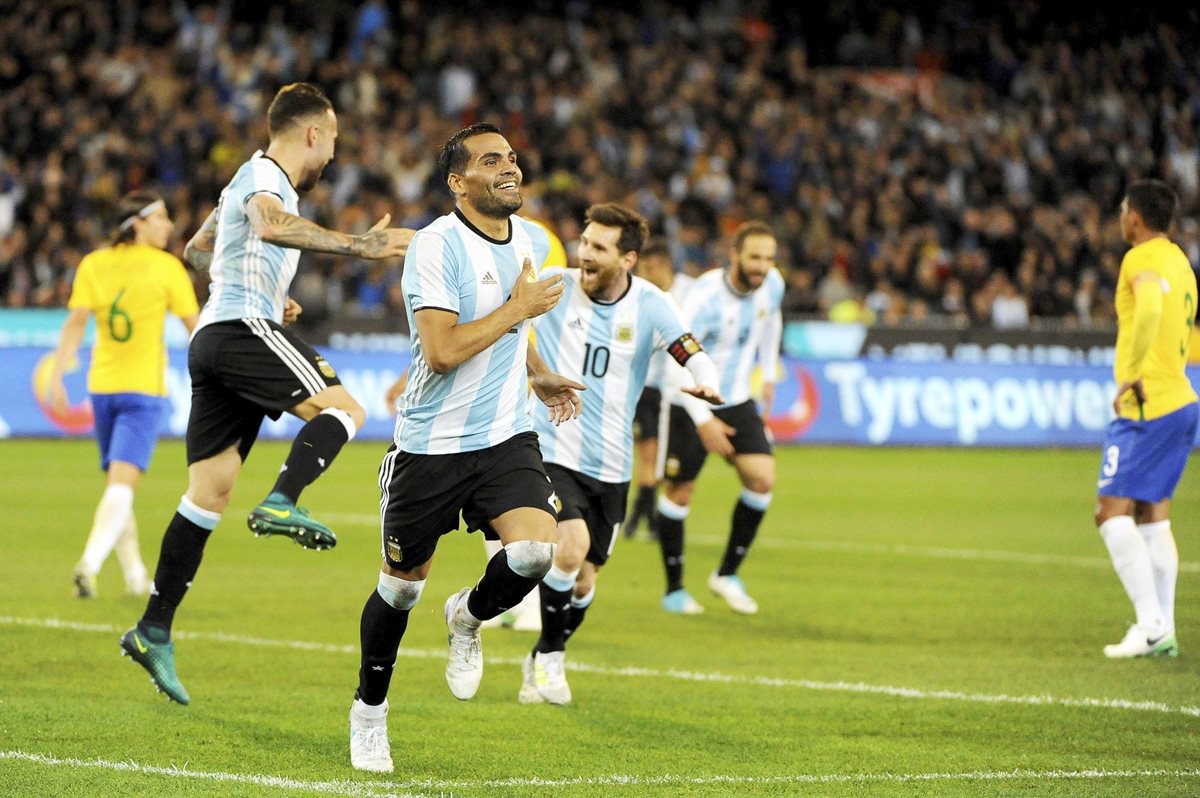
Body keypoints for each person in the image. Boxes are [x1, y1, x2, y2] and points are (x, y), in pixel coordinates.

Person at [118, 83, 411, 705]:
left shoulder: (240, 181)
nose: (333, 152)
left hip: (216, 334)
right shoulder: (266, 175)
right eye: (332, 138)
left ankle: (153, 628)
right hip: (239, 327)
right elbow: (270, 224)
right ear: (312, 133)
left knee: (208, 493)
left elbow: (199, 249)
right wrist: (354, 245)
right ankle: (283, 498)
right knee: (345, 409)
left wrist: (263, 282)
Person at [348, 123, 584, 772]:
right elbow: (443, 350)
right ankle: (370, 711)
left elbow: (514, 328)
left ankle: (468, 615)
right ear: (459, 182)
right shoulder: (435, 246)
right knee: (399, 591)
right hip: (430, 445)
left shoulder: (530, 238)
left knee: (538, 551)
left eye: (511, 158)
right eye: (490, 160)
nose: (510, 168)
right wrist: (520, 308)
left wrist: (536, 370)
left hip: (506, 434)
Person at [520, 204, 721, 706]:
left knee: (585, 580)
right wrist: (538, 370)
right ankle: (549, 656)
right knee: (568, 549)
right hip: (550, 446)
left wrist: (706, 378)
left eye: (598, 248)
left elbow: (686, 346)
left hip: (611, 463)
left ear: (628, 258)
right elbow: (506, 324)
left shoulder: (651, 304)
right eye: (584, 242)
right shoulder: (554, 285)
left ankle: (544, 655)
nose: (584, 254)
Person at [50, 191, 200, 599]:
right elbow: (197, 331)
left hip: (102, 389)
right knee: (121, 488)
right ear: (138, 224)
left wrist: (57, 375)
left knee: (118, 486)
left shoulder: (93, 263)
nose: (169, 226)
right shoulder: (169, 268)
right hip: (142, 392)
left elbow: (75, 323)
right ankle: (90, 563)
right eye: (163, 217)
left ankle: (135, 575)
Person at [654, 221, 784, 615]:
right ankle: (674, 589)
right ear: (735, 256)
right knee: (680, 493)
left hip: (737, 397)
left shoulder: (773, 284)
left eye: (768, 258)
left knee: (762, 479)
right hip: (687, 398)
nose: (762, 266)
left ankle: (726, 574)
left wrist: (769, 371)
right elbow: (676, 361)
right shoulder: (703, 298)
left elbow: (771, 319)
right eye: (755, 257)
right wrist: (703, 419)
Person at [1095, 178, 1197, 659]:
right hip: (1182, 398)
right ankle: (1163, 629)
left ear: (1135, 216)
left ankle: (1150, 623)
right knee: (1152, 518)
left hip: (1148, 404)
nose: (1120, 217)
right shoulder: (1181, 262)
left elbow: (1151, 306)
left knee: (1110, 514)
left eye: (1122, 209)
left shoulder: (1141, 258)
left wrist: (1131, 374)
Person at [622, 237, 695, 541]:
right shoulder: (639, 296)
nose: (644, 275)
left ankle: (646, 511)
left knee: (669, 458)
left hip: (678, 391)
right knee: (648, 451)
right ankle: (646, 511)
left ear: (666, 267)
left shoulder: (690, 293)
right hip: (647, 386)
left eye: (650, 268)